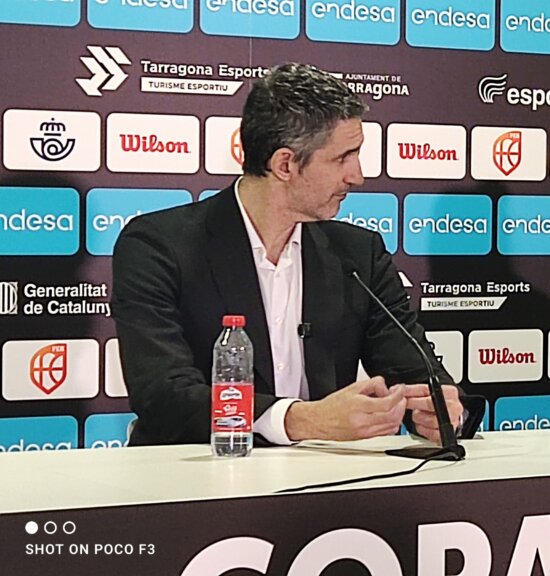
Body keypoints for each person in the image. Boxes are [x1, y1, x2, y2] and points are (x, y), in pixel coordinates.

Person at [112, 62, 467, 446]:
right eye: (343, 158)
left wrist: (443, 412)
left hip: (325, 477)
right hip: (196, 474)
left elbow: (417, 373)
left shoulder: (358, 254)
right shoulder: (159, 246)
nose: (357, 176)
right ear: (285, 164)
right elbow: (164, 396)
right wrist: (300, 420)